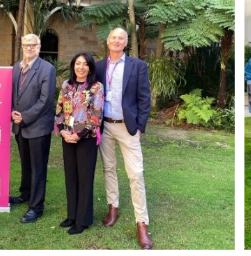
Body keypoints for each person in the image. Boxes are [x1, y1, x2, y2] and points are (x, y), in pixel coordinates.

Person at [96, 28, 154, 249]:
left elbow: (144, 98)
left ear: (126, 42)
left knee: (136, 173)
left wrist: (139, 126)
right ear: (108, 41)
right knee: (108, 168)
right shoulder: (100, 66)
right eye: (113, 37)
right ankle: (113, 207)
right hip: (105, 125)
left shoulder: (137, 66)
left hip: (127, 128)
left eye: (121, 38)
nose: (117, 41)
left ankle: (142, 223)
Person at [54, 52, 104, 234]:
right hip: (68, 137)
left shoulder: (96, 87)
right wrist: (63, 131)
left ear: (90, 67)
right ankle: (72, 215)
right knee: (71, 176)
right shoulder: (67, 85)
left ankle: (82, 220)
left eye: (84, 64)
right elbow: (59, 110)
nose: (80, 67)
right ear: (73, 66)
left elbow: (97, 115)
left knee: (84, 178)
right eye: (77, 63)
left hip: (86, 139)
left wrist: (80, 135)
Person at [10, 33, 57, 224]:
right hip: (19, 126)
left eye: (33, 45)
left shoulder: (47, 69)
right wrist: (12, 112)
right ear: (22, 46)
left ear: (39, 46)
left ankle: (36, 207)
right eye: (26, 45)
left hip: (37, 126)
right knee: (25, 163)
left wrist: (24, 117)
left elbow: (45, 101)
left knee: (38, 167)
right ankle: (26, 194)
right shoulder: (15, 67)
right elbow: (11, 93)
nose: (29, 48)